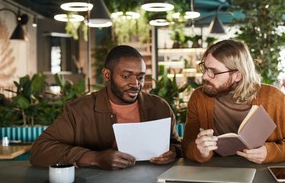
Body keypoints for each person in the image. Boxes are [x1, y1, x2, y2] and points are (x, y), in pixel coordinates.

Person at [30, 45, 181, 170]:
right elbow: (39, 150)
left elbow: (178, 146)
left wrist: (174, 151)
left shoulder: (160, 107)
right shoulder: (80, 110)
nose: (136, 84)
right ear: (107, 75)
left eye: (140, 77)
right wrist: (94, 158)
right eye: (126, 76)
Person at [181, 39, 285, 164]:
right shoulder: (199, 97)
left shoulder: (273, 98)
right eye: (204, 68)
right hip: (216, 173)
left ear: (237, 75)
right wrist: (200, 152)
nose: (204, 76)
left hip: (263, 175)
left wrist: (270, 152)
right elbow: (187, 145)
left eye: (213, 72)